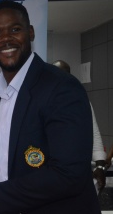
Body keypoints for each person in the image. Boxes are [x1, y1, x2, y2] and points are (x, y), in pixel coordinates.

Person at [0, 0, 101, 214]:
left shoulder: (61, 87)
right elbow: (1, 177)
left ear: (30, 33)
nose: (5, 39)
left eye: (15, 30)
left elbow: (69, 175)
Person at [53, 59, 108, 193]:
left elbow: (94, 132)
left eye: (65, 74)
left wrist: (100, 167)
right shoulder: (41, 101)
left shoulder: (80, 98)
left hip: (79, 173)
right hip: (51, 173)